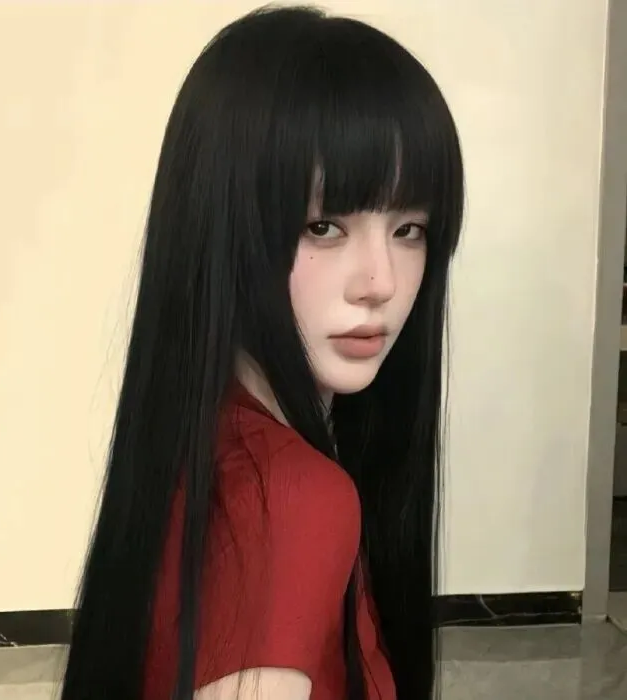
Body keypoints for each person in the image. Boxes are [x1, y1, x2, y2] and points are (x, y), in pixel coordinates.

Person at [61, 4, 464, 700]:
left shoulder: (198, 441)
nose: (381, 283)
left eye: (410, 229)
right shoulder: (291, 498)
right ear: (226, 229)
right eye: (323, 225)